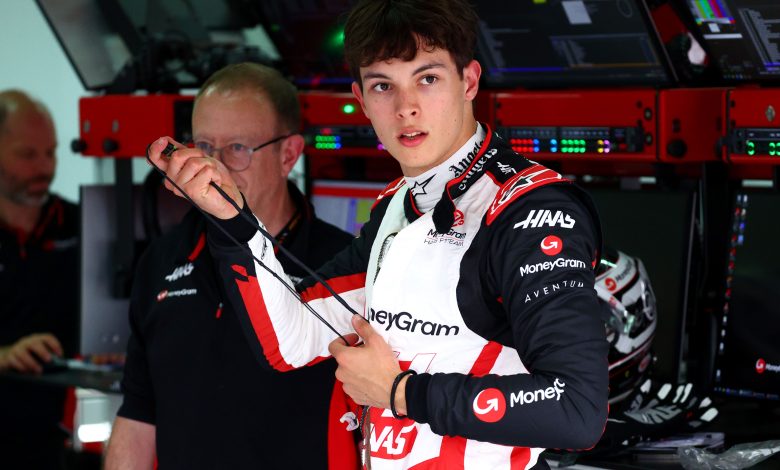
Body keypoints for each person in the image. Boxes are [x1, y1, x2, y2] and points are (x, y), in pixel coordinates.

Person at [147, 0, 610, 468]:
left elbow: (577, 410)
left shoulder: (529, 210)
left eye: (427, 79)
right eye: (383, 86)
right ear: (362, 100)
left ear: (469, 82)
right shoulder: (398, 204)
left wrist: (398, 392)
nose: (406, 108)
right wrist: (232, 219)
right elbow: (292, 340)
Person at [104, 63, 354, 469]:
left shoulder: (343, 264)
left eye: (237, 148)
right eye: (203, 146)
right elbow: (138, 412)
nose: (212, 167)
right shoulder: (161, 259)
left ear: (288, 154)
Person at [0, 90, 79, 469]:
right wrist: (5, 356)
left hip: (57, 438)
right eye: (28, 155)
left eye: (51, 152)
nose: (44, 167)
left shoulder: (82, 224)